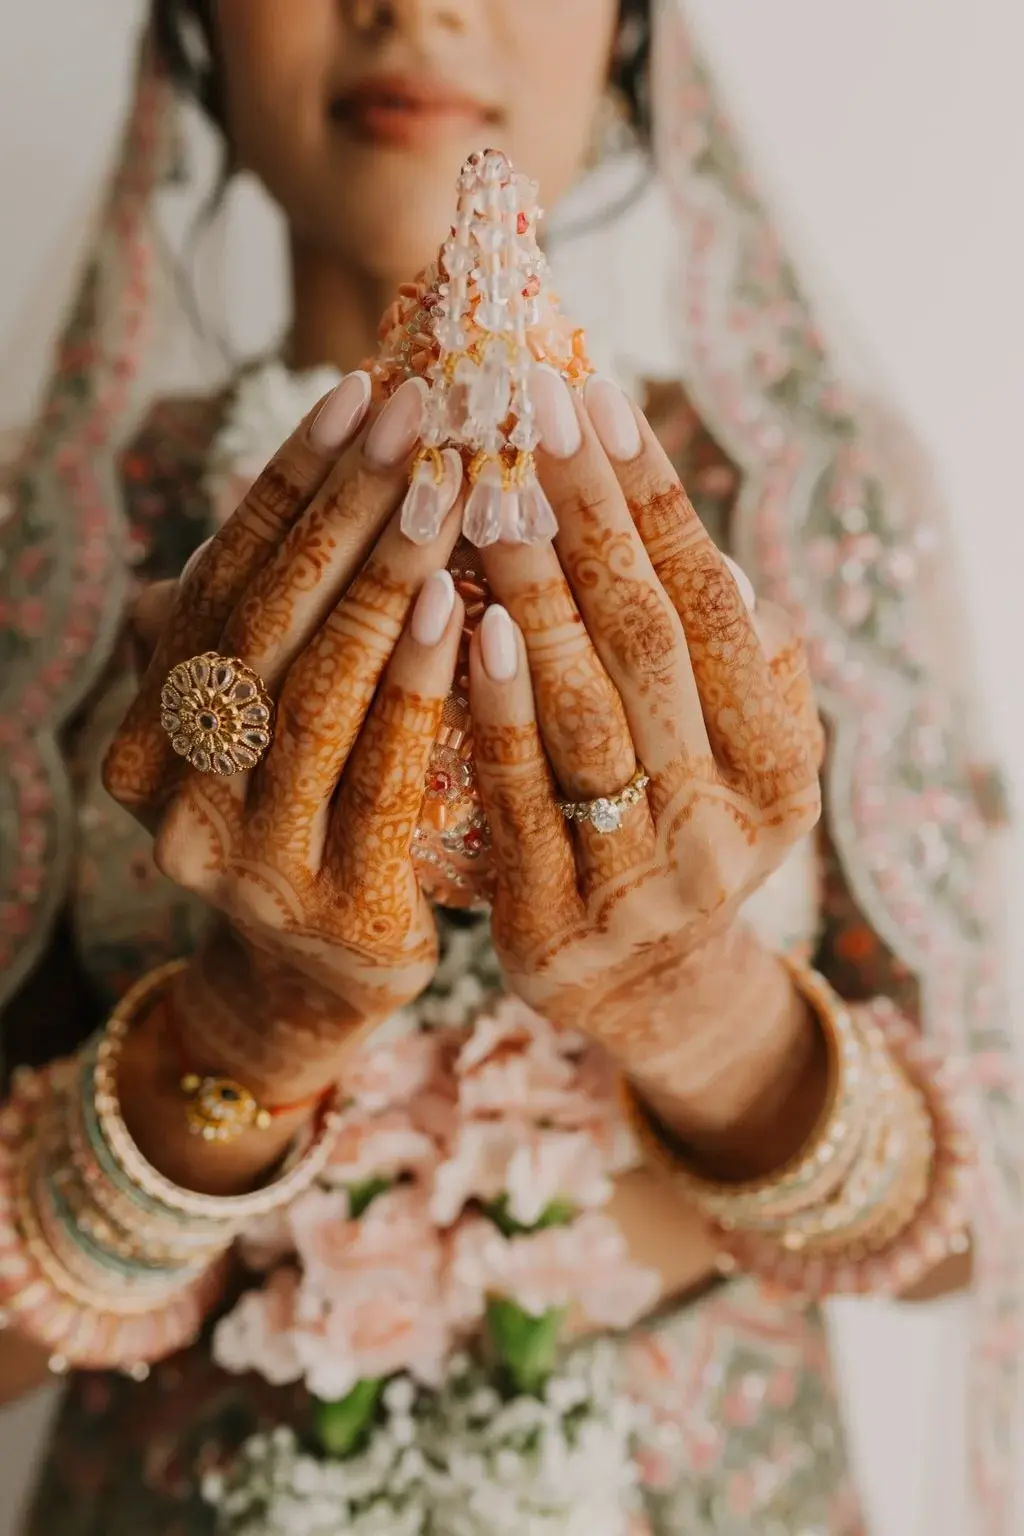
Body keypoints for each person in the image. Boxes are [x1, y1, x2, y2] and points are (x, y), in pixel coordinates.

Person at [0, 2, 1017, 1532]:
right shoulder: (58, 535)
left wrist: (701, 1008)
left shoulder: (806, 498)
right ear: (199, 23)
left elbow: (982, 1219)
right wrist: (253, 1025)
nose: (415, 4)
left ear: (628, 31)